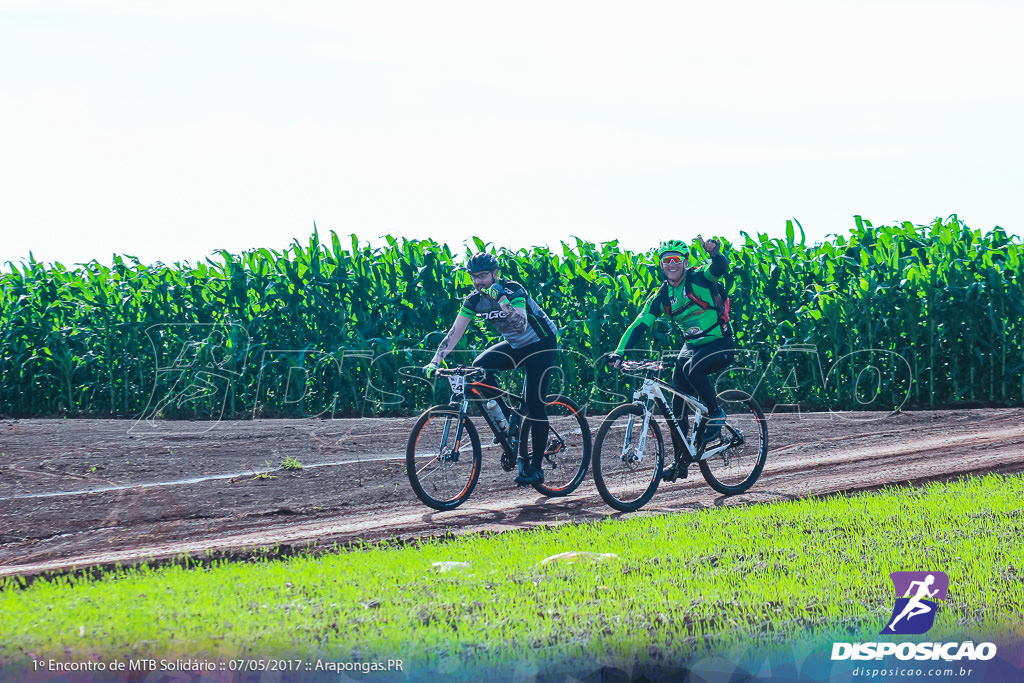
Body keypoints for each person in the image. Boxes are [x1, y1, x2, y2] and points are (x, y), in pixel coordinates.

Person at [424, 252, 559, 485]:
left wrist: (502, 300)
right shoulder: (474, 300)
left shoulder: (514, 290)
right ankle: (508, 420)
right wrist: (436, 360)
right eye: (474, 277)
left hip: (541, 344)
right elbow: (455, 332)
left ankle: (536, 469)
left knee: (535, 403)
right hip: (517, 345)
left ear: (495, 274)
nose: (479, 282)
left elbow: (520, 324)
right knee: (480, 368)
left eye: (484, 276)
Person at [607, 237, 735, 473]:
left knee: (692, 368)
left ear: (686, 262)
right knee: (677, 407)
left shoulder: (699, 278)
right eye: (667, 260)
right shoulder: (663, 295)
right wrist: (619, 352)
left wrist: (716, 255)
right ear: (662, 265)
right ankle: (680, 461)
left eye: (677, 259)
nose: (672, 264)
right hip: (693, 346)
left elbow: (719, 269)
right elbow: (639, 324)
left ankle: (716, 412)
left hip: (721, 343)